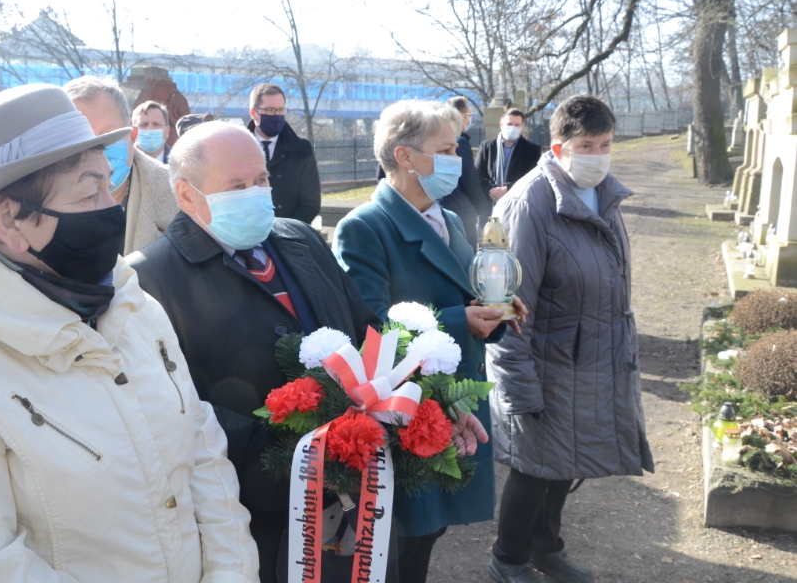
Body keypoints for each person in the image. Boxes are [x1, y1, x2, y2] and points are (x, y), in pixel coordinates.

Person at [0, 83, 259, 583]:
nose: (111, 207)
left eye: (110, 184)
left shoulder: (132, 302)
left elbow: (202, 453)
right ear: (10, 219)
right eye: (88, 192)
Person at [126, 122, 390, 583]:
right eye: (237, 186)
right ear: (187, 197)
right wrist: (295, 442)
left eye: (262, 180)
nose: (257, 193)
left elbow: (366, 327)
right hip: (253, 511)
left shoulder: (300, 239)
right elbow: (167, 410)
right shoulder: (150, 278)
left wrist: (422, 397)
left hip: (354, 483)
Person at [332, 100, 525, 583]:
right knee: (405, 538)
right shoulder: (365, 228)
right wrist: (465, 319)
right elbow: (371, 329)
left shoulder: (448, 219)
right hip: (413, 407)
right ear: (405, 156)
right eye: (445, 149)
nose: (457, 157)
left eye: (457, 146)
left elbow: (469, 294)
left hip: (456, 399)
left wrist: (498, 309)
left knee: (431, 533)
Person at [486, 95, 654, 583]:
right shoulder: (527, 204)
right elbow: (504, 303)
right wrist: (517, 386)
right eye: (586, 145)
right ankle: (508, 559)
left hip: (589, 360)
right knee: (534, 468)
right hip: (545, 363)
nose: (597, 155)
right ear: (559, 147)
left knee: (564, 463)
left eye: (605, 145)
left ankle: (545, 545)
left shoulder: (602, 192)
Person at [64, 76, 179, 254]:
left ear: (132, 137)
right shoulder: (37, 206)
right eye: (81, 137)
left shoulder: (179, 200)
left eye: (109, 135)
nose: (95, 150)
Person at [245, 83, 320, 224]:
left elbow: (311, 203)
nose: (277, 115)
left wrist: (284, 232)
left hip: (290, 234)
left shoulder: (301, 149)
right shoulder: (237, 148)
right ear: (253, 113)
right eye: (270, 110)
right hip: (248, 233)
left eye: (280, 110)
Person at [440, 95, 489, 249]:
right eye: (468, 115)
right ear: (460, 116)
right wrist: (481, 207)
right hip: (462, 214)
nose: (469, 120)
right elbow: (469, 178)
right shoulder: (459, 142)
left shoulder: (441, 141)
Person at [474, 108, 542, 209]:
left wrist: (508, 190)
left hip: (518, 206)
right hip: (489, 205)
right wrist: (493, 192)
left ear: (522, 126)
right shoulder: (486, 147)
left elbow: (533, 178)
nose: (513, 128)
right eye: (509, 124)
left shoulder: (533, 150)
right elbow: (477, 174)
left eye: (517, 125)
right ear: (501, 125)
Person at [133, 99, 171, 163]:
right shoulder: (122, 163)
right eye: (143, 125)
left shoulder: (180, 165)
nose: (150, 129)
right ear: (133, 132)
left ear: (167, 131)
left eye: (156, 124)